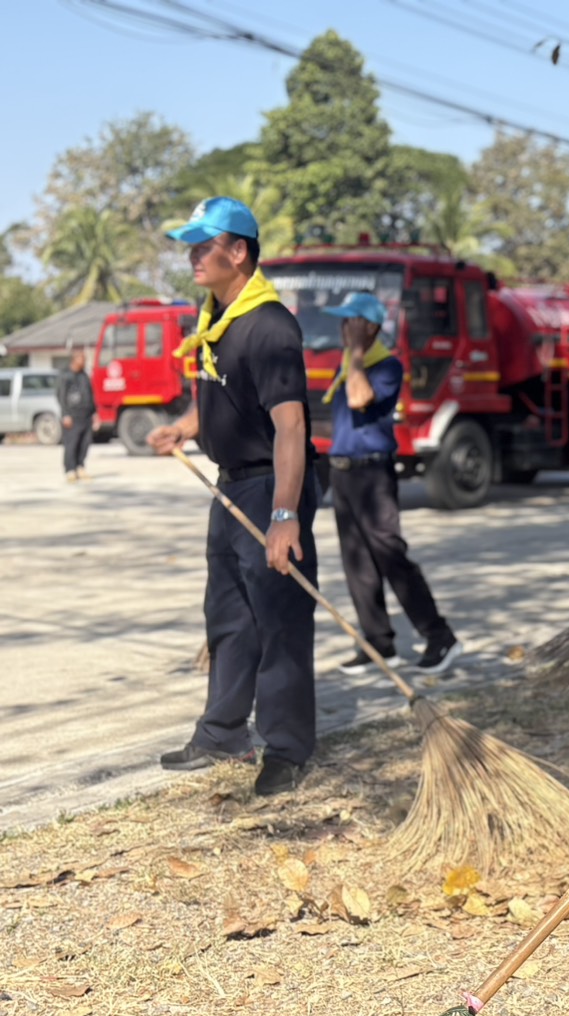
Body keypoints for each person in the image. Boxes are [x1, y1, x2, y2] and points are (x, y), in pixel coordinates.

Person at [146, 196, 318, 797]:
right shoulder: (216, 319)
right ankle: (222, 731)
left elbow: (290, 426)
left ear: (239, 251)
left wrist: (284, 515)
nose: (193, 256)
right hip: (230, 486)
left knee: (280, 620)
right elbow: (226, 397)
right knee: (227, 615)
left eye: (205, 245)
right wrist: (184, 428)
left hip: (272, 485)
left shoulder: (268, 326)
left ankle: (287, 747)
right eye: (191, 246)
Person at [321, 292, 461, 676]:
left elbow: (359, 398)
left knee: (390, 555)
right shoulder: (349, 365)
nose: (343, 328)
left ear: (369, 327)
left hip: (371, 475)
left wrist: (355, 352)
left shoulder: (385, 367)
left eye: (350, 322)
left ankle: (440, 636)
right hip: (343, 472)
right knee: (357, 563)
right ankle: (377, 643)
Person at [57, 348, 96, 482]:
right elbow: (61, 396)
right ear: (75, 359)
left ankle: (80, 467)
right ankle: (70, 470)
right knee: (71, 444)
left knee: (85, 443)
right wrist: (65, 415)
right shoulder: (65, 375)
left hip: (86, 415)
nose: (84, 361)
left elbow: (90, 395)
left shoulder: (84, 375)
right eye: (82, 359)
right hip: (72, 416)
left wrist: (94, 413)